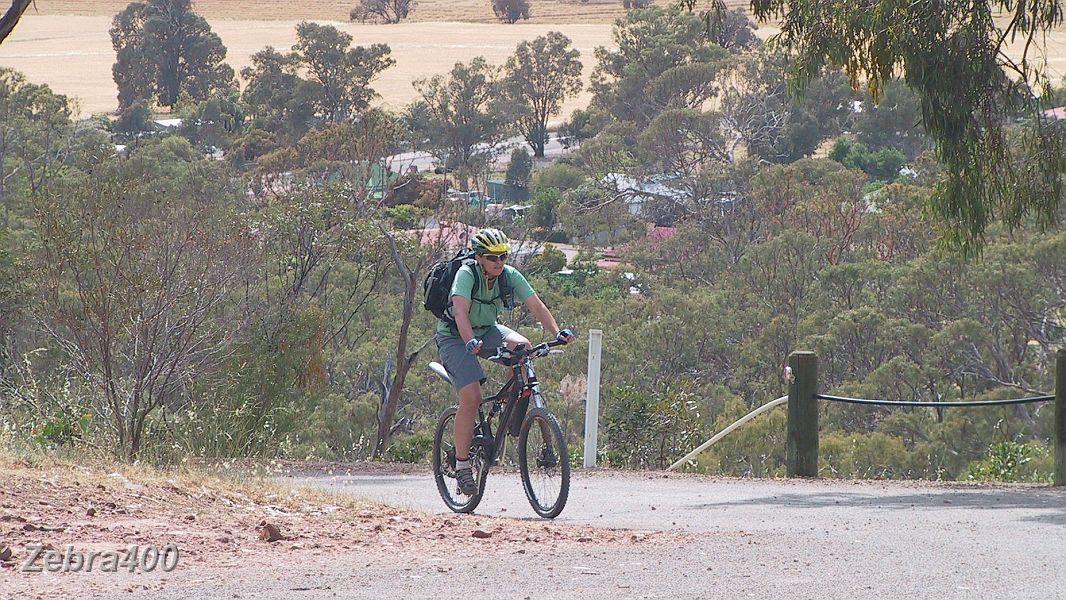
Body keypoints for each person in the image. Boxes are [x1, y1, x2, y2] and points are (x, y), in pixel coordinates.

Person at [434, 228, 574, 495]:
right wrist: (469, 342)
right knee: (471, 397)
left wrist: (557, 332)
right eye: (492, 257)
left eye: (503, 257)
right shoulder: (466, 275)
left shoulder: (508, 276)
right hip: (455, 337)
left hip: (487, 330)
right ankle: (462, 466)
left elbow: (537, 305)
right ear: (479, 257)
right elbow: (461, 314)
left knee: (523, 348)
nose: (499, 262)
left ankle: (510, 408)